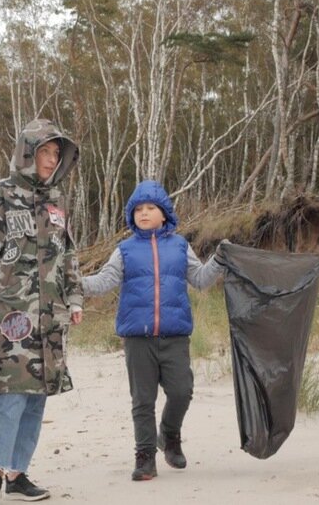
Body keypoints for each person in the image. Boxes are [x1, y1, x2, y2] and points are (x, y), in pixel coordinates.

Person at [0, 119, 83, 504]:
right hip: (10, 316)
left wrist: (74, 299)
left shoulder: (57, 200)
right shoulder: (0, 194)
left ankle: (18, 474)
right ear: (27, 152)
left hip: (50, 316)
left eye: (56, 153)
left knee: (38, 394)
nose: (50, 160)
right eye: (44, 151)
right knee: (12, 392)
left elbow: (68, 254)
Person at [81, 180, 225, 481]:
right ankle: (145, 457)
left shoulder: (180, 246)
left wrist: (219, 261)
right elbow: (104, 282)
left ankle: (169, 436)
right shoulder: (124, 251)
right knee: (142, 400)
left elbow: (199, 279)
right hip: (138, 338)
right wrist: (76, 282)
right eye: (138, 209)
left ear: (164, 214)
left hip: (175, 336)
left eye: (150, 208)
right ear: (131, 216)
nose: (144, 213)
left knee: (182, 391)